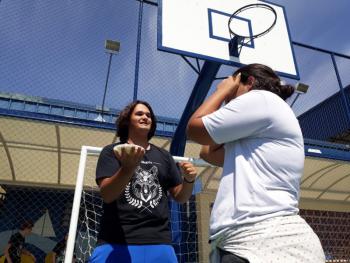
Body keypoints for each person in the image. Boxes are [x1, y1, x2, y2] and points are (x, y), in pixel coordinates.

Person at [186, 63, 325, 263]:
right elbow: (208, 153)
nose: (228, 100)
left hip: (261, 240)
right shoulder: (262, 124)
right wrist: (229, 103)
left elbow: (194, 129)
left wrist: (222, 90)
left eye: (232, 93)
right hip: (263, 241)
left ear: (249, 82)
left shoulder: (261, 99)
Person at [89, 100, 197, 263]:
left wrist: (189, 180)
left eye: (148, 115)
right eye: (139, 114)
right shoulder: (111, 152)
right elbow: (108, 194)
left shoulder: (164, 156)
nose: (145, 117)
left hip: (159, 243)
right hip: (116, 242)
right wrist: (127, 169)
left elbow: (180, 197)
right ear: (127, 120)